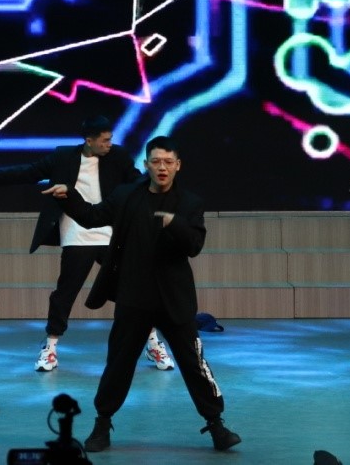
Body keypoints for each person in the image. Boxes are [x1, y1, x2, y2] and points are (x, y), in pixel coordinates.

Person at [43, 135, 240, 453]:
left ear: (178, 166)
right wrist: (69, 196)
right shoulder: (127, 196)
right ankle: (102, 423)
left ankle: (216, 424)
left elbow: (194, 245)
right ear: (146, 164)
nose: (162, 167)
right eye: (156, 161)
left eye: (168, 162)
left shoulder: (189, 203)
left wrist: (174, 223)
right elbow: (93, 217)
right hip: (134, 296)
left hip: (174, 299)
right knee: (118, 363)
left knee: (194, 363)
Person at [0, 115, 175, 372]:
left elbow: (138, 183)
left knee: (132, 287)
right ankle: (50, 347)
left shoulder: (118, 157)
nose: (109, 144)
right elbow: (29, 172)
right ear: (89, 140)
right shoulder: (63, 157)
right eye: (104, 140)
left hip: (110, 231)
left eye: (110, 139)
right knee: (66, 291)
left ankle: (152, 343)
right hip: (76, 232)